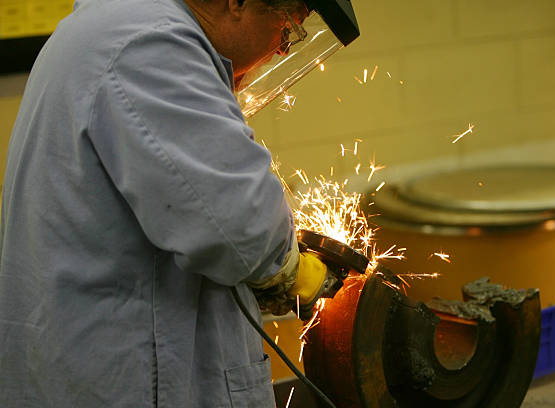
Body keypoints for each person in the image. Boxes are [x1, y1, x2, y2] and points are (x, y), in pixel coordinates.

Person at [0, 0, 359, 407]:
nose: (283, 48)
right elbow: (244, 228)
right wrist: (300, 274)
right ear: (237, 2)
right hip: (122, 383)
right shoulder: (151, 47)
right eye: (289, 24)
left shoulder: (115, 23)